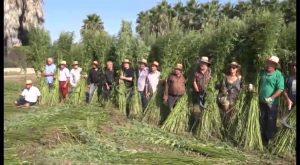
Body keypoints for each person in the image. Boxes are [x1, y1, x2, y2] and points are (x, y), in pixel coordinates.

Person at [258, 55, 284, 145]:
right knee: (261, 119)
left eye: (272, 63)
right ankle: (261, 137)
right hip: (261, 101)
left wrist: (271, 98)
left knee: (271, 120)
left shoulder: (278, 74)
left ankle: (269, 140)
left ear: (275, 65)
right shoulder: (262, 73)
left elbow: (280, 89)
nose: (269, 65)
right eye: (269, 62)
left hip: (272, 103)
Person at [190, 56, 211, 132]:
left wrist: (208, 90)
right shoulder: (196, 72)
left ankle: (202, 129)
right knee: (196, 111)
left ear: (207, 64)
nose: (202, 65)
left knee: (205, 111)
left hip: (207, 95)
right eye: (201, 63)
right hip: (197, 93)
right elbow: (194, 81)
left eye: (204, 63)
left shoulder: (210, 72)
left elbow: (212, 82)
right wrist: (197, 90)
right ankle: (194, 128)